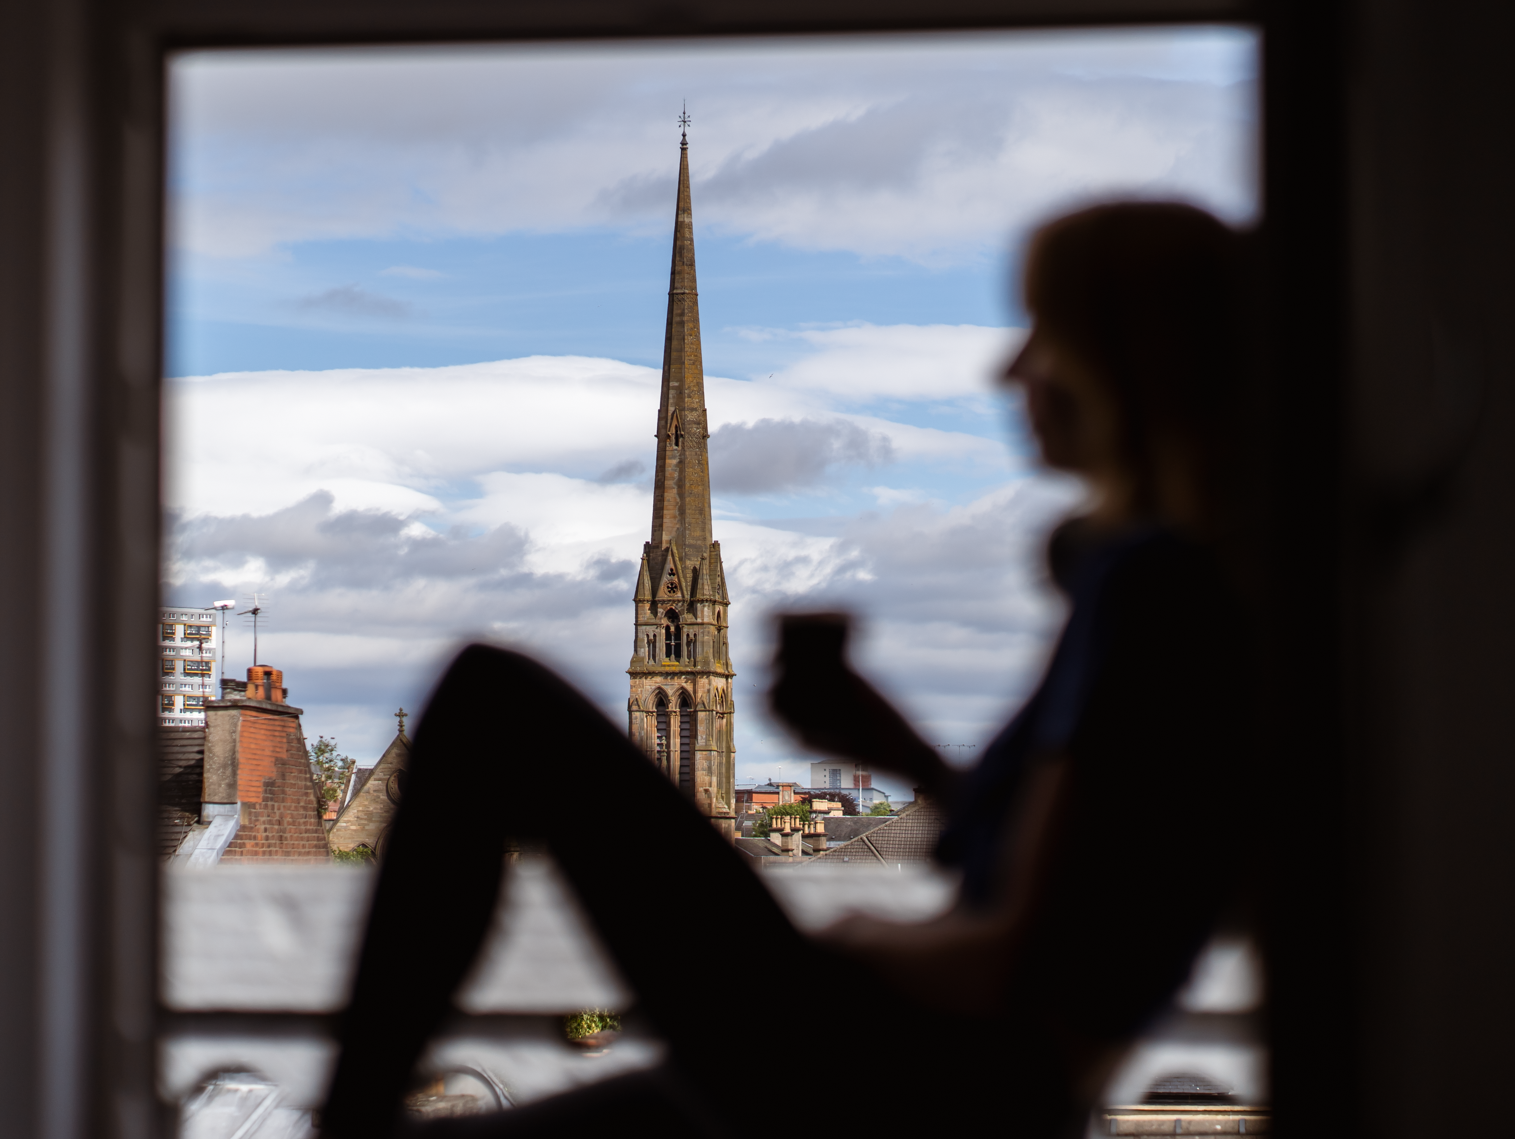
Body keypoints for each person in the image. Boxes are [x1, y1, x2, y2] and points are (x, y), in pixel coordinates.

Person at [321, 201, 1251, 1139]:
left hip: (913, 1073)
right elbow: (1059, 880)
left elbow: (1019, 962)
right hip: (951, 1078)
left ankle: (348, 1118)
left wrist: (847, 942)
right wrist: (899, 747)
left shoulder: (1151, 588)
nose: (1011, 369)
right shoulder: (1185, 585)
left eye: (1044, 335)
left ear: (1126, 364)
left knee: (495, 699)